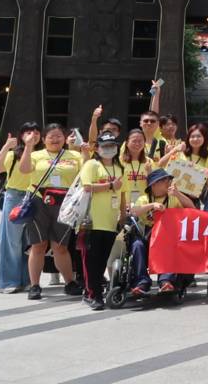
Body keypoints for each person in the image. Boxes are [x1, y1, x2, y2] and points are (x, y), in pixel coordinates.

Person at [19, 123, 84, 300]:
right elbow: (24, 169)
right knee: (38, 245)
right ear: (44, 139)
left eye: (59, 136)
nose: (55, 139)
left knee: (60, 246)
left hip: (65, 204)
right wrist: (28, 145)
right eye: (51, 136)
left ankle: (69, 282)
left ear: (65, 138)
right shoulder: (35, 154)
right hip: (39, 201)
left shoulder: (75, 155)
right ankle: (35, 285)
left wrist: (84, 151)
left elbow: (85, 175)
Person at [129, 168, 195, 295]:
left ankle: (166, 280)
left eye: (168, 180)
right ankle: (142, 282)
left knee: (168, 243)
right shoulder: (144, 199)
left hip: (166, 236)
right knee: (137, 245)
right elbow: (134, 211)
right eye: (164, 180)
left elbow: (192, 208)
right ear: (154, 184)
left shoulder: (172, 198)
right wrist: (152, 205)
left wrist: (178, 194)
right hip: (147, 235)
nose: (168, 182)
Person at [79, 132, 125, 309]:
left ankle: (93, 291)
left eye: (112, 146)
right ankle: (93, 295)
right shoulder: (92, 164)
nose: (109, 149)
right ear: (97, 148)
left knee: (103, 259)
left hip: (110, 221)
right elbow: (87, 187)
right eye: (105, 146)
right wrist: (110, 185)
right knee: (92, 260)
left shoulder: (119, 167)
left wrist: (123, 215)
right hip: (92, 221)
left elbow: (122, 194)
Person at [0, 123, 40, 293]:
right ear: (21, 136)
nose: (33, 135)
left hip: (34, 197)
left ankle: (27, 279)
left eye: (36, 132)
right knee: (11, 240)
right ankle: (8, 281)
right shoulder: (13, 155)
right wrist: (6, 146)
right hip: (14, 197)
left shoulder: (42, 155)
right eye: (28, 132)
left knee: (29, 241)